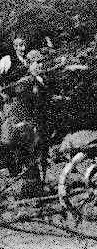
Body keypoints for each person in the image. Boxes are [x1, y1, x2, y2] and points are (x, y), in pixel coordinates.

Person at [14, 50, 50, 187]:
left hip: (42, 122)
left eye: (41, 62)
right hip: (30, 125)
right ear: (29, 64)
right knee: (31, 155)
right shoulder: (24, 82)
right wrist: (28, 123)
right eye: (37, 62)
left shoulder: (42, 79)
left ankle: (43, 182)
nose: (40, 65)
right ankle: (32, 187)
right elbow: (21, 105)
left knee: (43, 152)